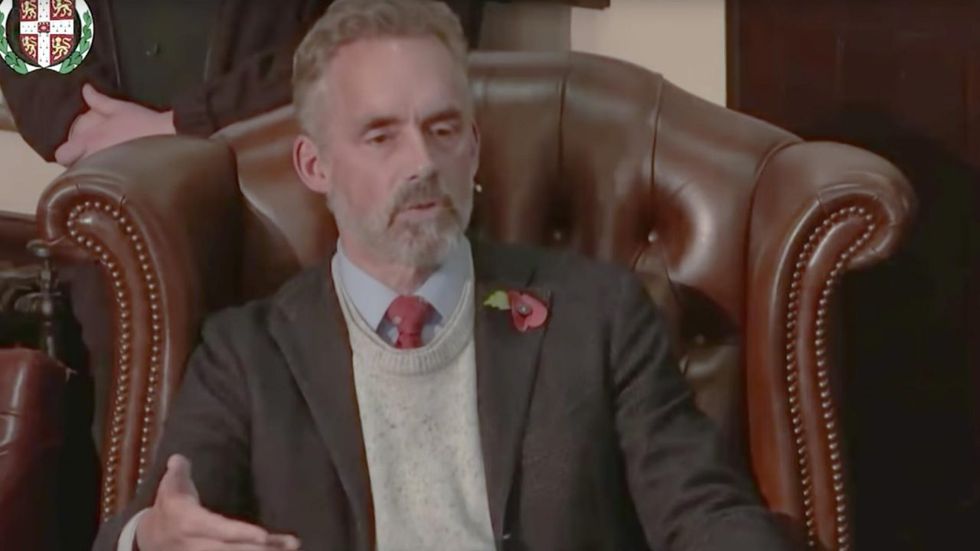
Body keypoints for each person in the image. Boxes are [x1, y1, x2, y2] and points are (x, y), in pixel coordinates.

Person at [94, 1, 802, 549]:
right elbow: (148, 523)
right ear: (314, 166)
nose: (422, 163)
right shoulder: (246, 355)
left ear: (474, 146)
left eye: (443, 129)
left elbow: (707, 512)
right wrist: (152, 537)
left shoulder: (599, 314)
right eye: (381, 135)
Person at [0, 0, 496, 166]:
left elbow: (399, 28)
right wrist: (81, 123)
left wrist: (185, 125)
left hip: (293, 211)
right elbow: (30, 17)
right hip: (114, 215)